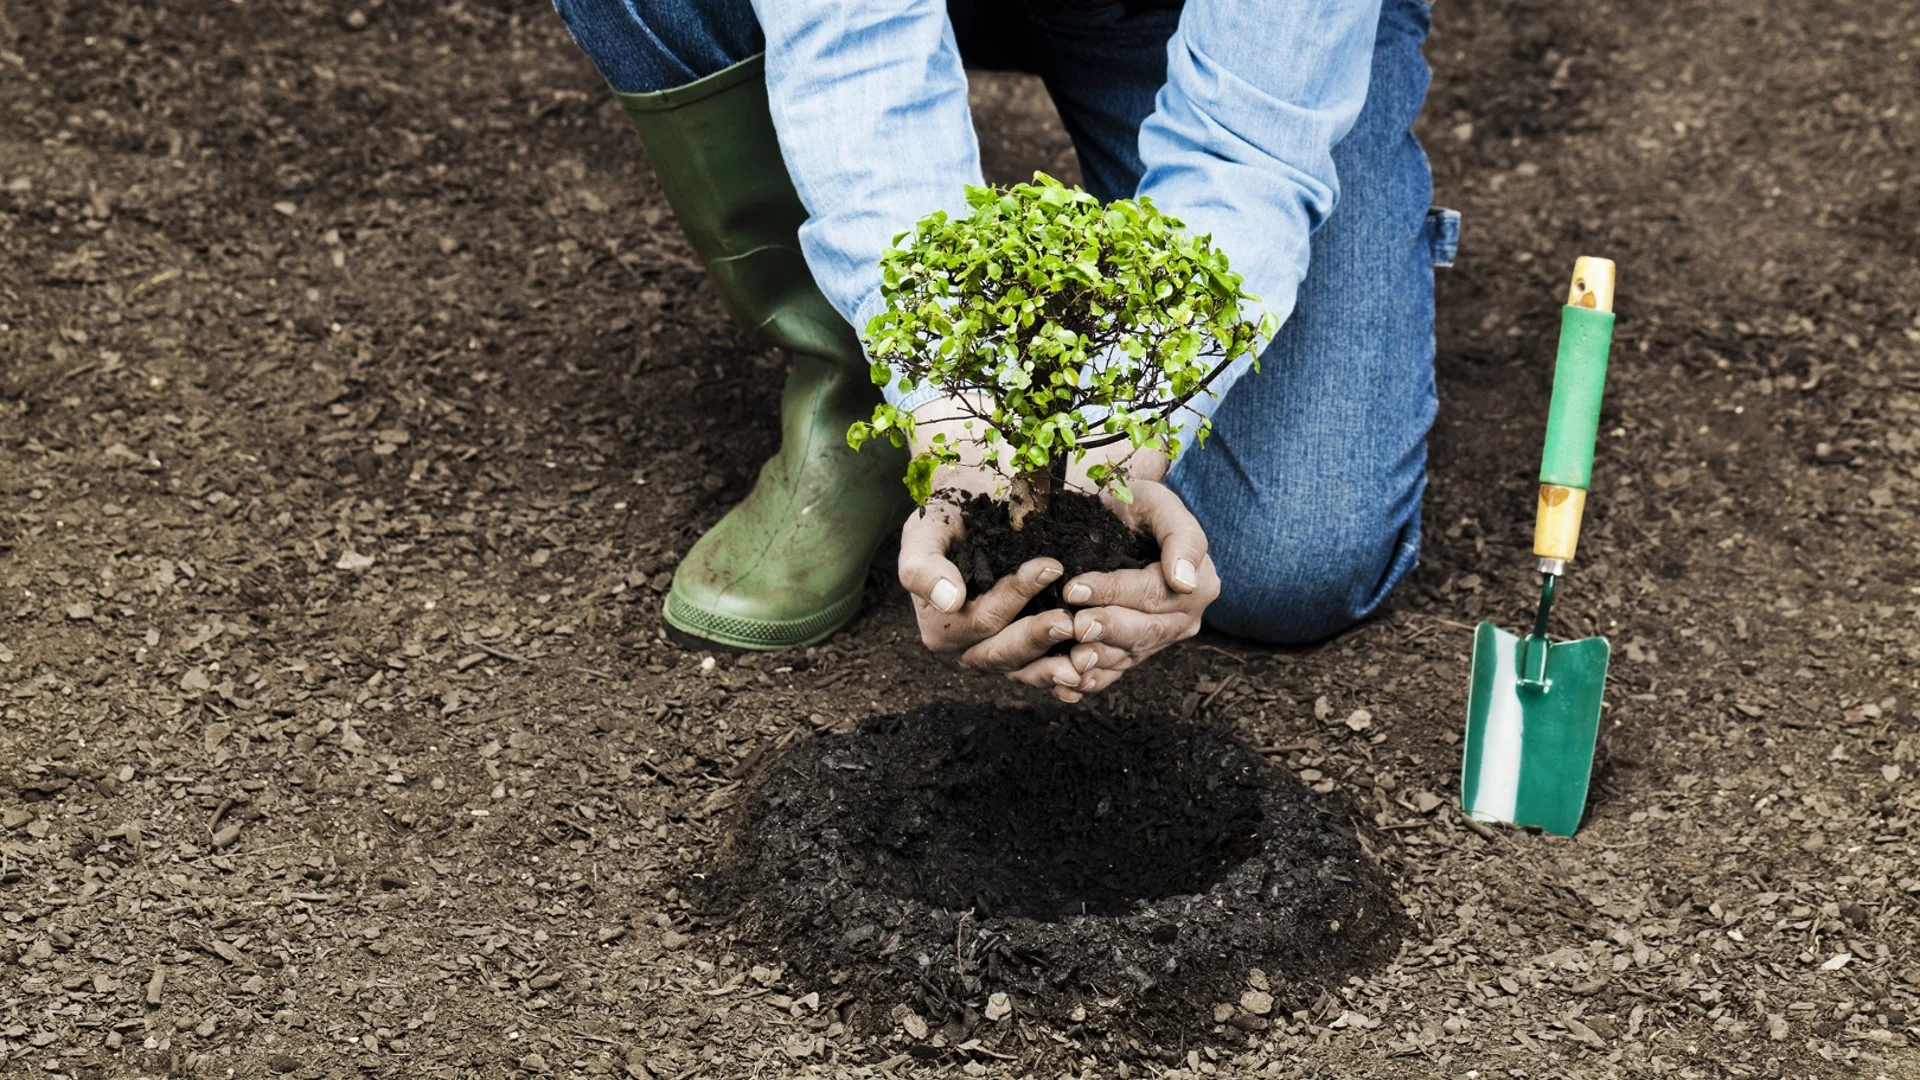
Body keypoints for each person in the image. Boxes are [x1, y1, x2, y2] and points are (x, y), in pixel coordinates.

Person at [552, 0, 1457, 699]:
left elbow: (1249, 141)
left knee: (1286, 563)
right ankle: (858, 385)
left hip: (1196, 28)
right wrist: (953, 412)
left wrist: (1129, 432)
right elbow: (856, 46)